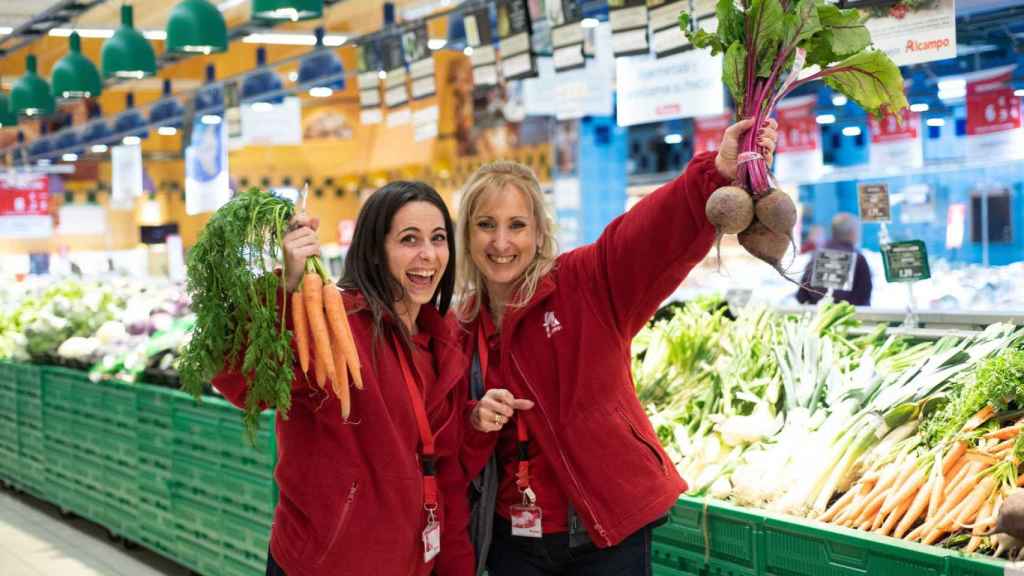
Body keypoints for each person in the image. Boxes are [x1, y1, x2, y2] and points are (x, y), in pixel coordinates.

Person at [453, 119, 778, 575]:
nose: (501, 242)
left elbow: (648, 235)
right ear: (466, 235)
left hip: (604, 534)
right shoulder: (459, 328)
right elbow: (441, 433)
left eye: (517, 225)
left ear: (540, 233)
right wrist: (473, 417)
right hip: (513, 539)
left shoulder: (584, 283)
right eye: (486, 225)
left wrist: (717, 171)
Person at [211, 182, 475, 576]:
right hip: (326, 564)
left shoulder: (444, 343)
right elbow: (238, 379)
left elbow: (446, 473)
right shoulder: (335, 325)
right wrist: (285, 290)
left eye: (438, 238)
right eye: (408, 239)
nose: (428, 254)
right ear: (374, 250)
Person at [796, 212, 873, 306]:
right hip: (848, 318)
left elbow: (802, 295)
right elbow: (864, 300)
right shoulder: (858, 259)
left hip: (817, 317)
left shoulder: (818, 254)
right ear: (852, 233)